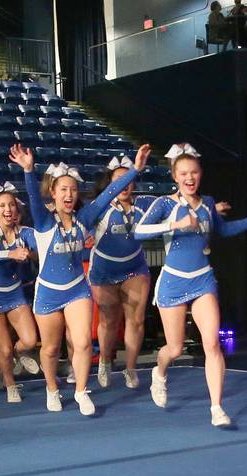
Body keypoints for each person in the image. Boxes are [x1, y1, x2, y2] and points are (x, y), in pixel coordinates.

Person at [135, 143, 247, 427]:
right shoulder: (165, 204)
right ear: (175, 176)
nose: (189, 177)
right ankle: (159, 373)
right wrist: (174, 226)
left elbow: (221, 230)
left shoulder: (208, 202)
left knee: (211, 343)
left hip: (203, 280)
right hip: (172, 281)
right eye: (183, 173)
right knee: (173, 349)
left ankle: (216, 407)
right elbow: (138, 231)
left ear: (200, 174)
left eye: (194, 172)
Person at [13, 143, 150, 415]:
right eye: (63, 189)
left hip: (77, 290)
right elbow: (33, 198)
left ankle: (81, 391)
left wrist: (135, 170)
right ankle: (52, 388)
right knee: (51, 349)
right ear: (53, 192)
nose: (69, 194)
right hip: (49, 293)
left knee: (83, 342)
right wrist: (29, 170)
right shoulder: (43, 222)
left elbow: (109, 193)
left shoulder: (84, 218)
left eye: (73, 190)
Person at [88, 156, 157, 389]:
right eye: (118, 180)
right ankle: (105, 362)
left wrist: (208, 208)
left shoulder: (144, 204)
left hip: (135, 269)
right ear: (109, 184)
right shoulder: (100, 207)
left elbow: (175, 204)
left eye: (128, 180)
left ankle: (130, 367)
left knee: (135, 320)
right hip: (104, 271)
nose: (124, 185)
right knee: (109, 320)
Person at [0, 183, 40, 402]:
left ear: (17, 209)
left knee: (30, 341)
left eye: (11, 204)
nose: (7, 209)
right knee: (2, 349)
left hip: (15, 294)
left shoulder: (26, 232)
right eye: (2, 205)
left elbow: (40, 251)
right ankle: (11, 385)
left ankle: (19, 352)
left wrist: (30, 255)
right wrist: (10, 254)